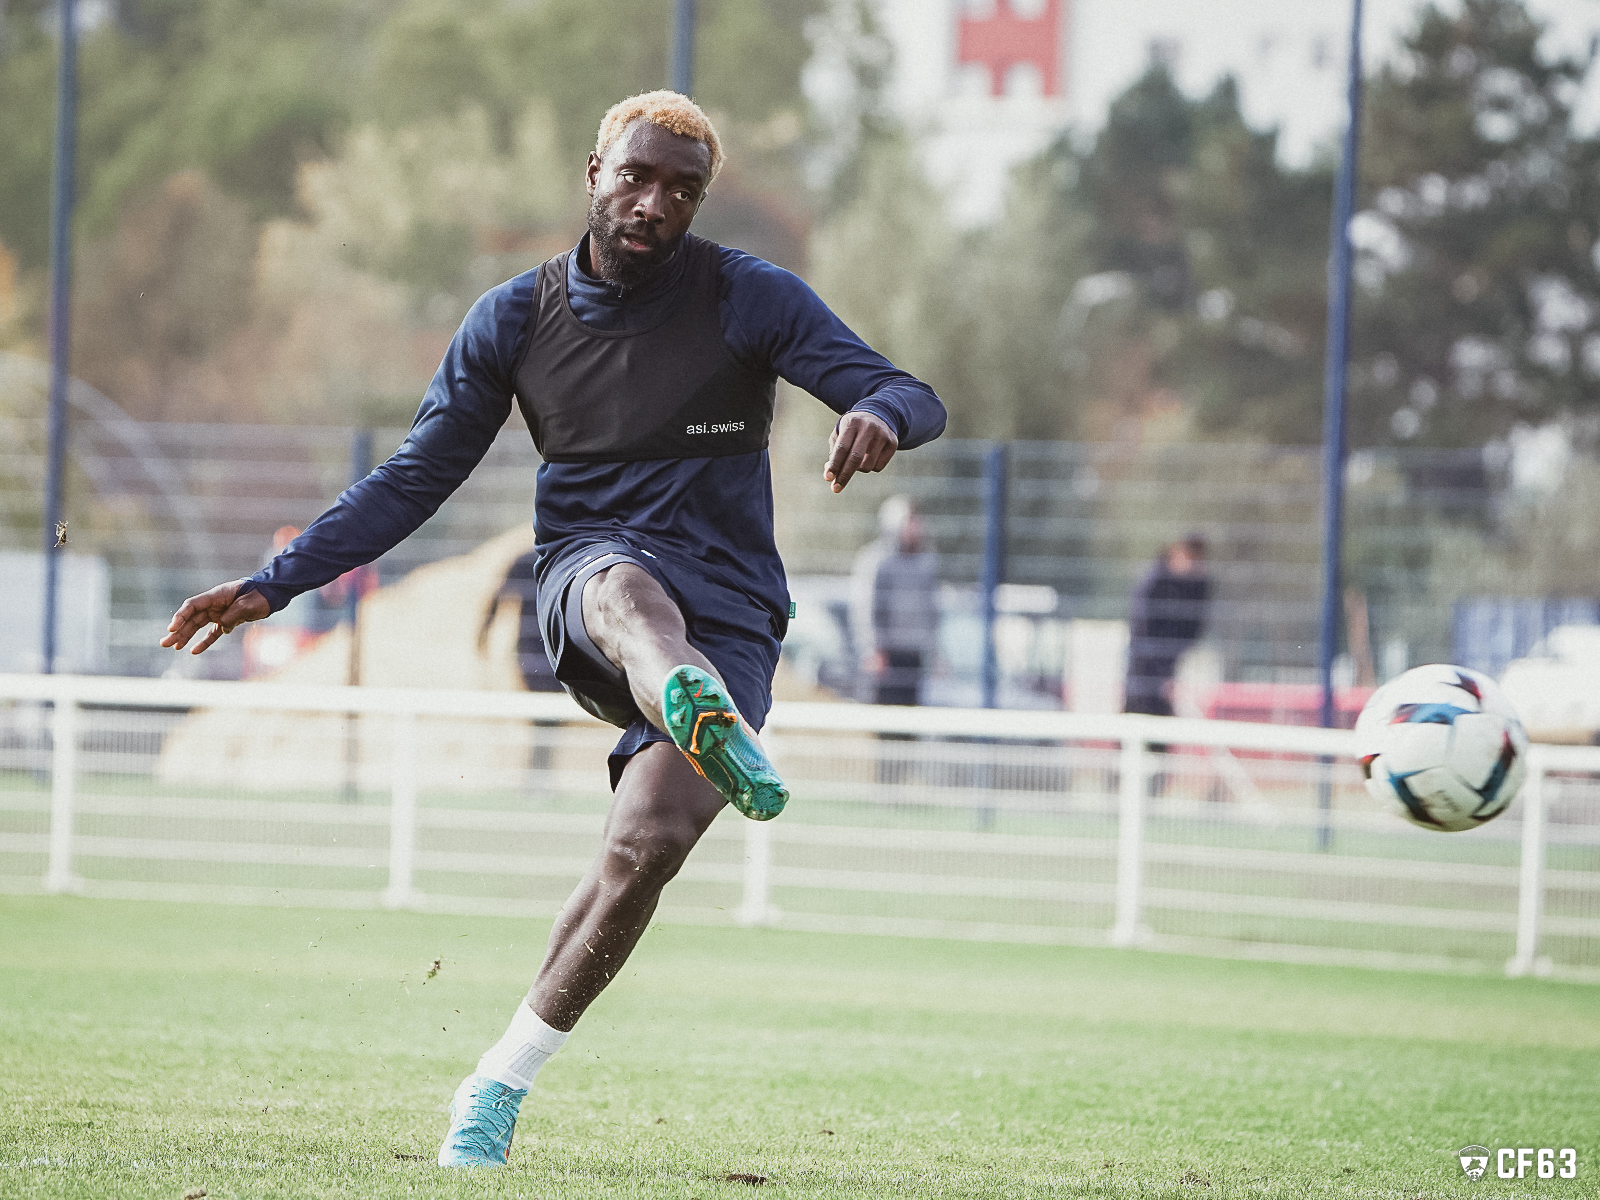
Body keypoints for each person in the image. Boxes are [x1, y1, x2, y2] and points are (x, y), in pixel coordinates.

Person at [160, 91, 945, 1168]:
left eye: (680, 188)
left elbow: (904, 389)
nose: (653, 201)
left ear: (697, 203)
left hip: (735, 609)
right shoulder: (513, 320)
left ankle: (494, 1084)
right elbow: (416, 477)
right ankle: (683, 692)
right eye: (635, 176)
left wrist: (878, 415)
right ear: (593, 174)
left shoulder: (746, 296)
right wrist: (277, 581)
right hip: (589, 581)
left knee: (647, 846)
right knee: (627, 590)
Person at [851, 496, 939, 706]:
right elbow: (866, 607)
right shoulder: (876, 561)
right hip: (885, 657)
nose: (916, 527)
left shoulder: (926, 563)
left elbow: (932, 610)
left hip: (914, 654)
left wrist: (934, 651)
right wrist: (872, 649)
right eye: (910, 521)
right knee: (885, 715)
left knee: (911, 714)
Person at [1124, 534, 1211, 718]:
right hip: (1145, 669)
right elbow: (1142, 630)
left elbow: (1193, 629)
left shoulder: (1195, 586)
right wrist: (1161, 678)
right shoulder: (1154, 584)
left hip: (1169, 666)